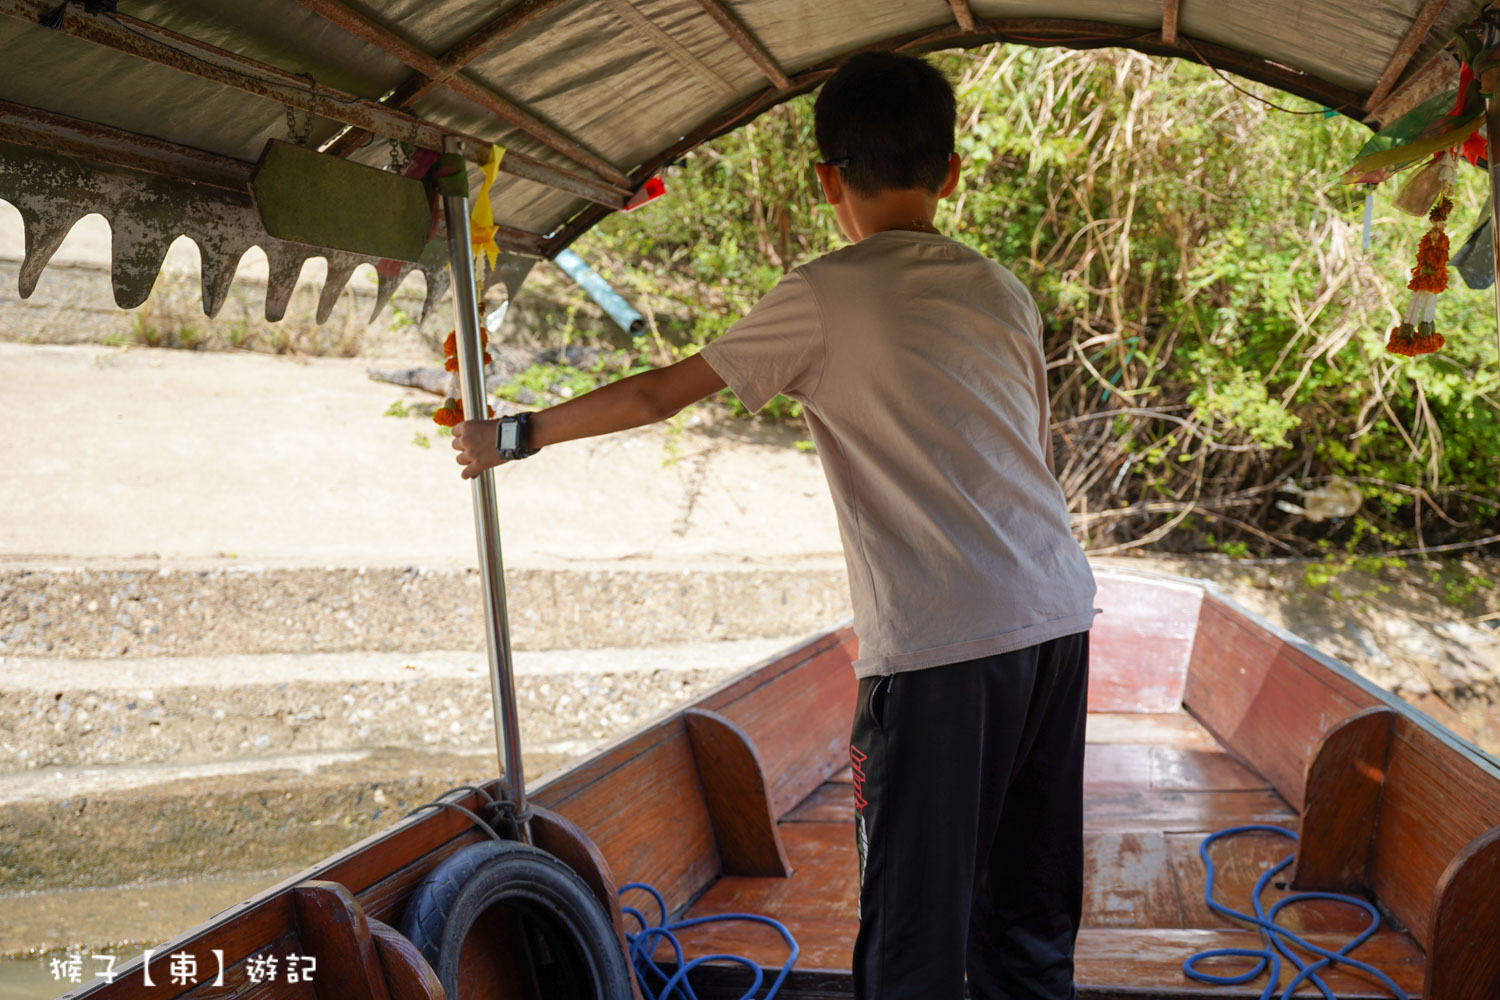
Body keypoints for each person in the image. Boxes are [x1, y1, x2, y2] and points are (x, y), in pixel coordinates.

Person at [453, 51, 1096, 1000]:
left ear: (827, 178)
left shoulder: (827, 293)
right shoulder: (1002, 291)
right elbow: (1026, 459)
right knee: (1029, 922)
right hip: (1057, 616)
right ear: (952, 174)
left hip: (941, 646)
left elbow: (659, 395)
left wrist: (511, 434)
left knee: (912, 937)